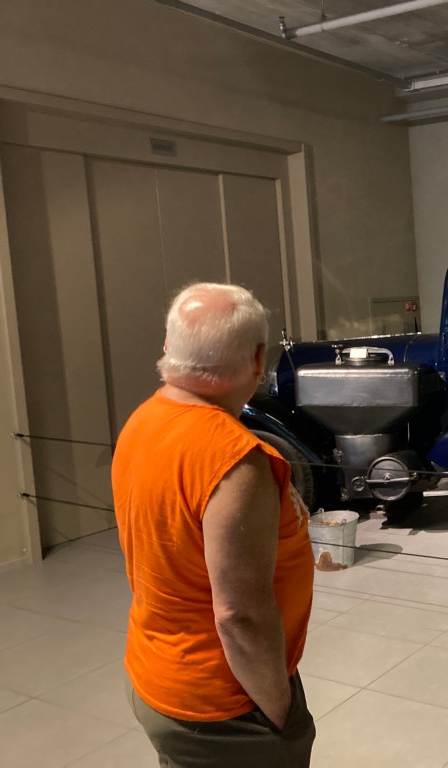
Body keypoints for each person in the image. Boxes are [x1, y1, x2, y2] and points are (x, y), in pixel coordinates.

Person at [112, 283, 315, 767]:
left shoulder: (144, 420)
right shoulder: (235, 462)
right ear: (258, 359)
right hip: (225, 706)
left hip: (155, 670)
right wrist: (280, 713)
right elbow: (239, 616)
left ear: (169, 345)